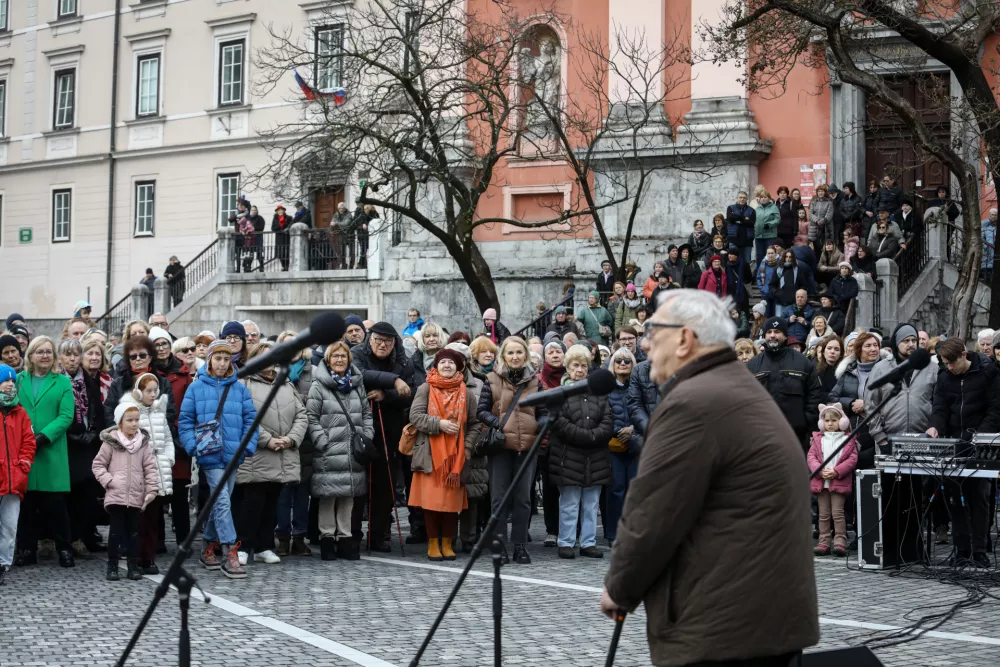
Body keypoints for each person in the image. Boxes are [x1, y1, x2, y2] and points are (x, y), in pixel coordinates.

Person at [600, 290, 818, 665]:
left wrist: (620, 587)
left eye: (653, 332)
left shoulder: (691, 403)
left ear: (685, 339)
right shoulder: (736, 386)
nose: (645, 345)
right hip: (765, 619)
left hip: (722, 626)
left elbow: (653, 513)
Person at [178, 340, 258, 579]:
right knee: (222, 501)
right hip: (209, 454)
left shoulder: (239, 389)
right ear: (210, 360)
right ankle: (229, 551)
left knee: (220, 501)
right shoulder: (196, 387)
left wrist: (247, 446)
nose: (222, 364)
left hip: (233, 454)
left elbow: (251, 419)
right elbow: (185, 421)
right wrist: (193, 446)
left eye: (226, 359)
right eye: (218, 358)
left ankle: (207, 546)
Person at [927, 338, 1000, 566]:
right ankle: (961, 549)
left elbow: (995, 409)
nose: (949, 367)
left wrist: (980, 435)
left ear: (964, 356)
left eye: (952, 363)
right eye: (945, 363)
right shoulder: (944, 376)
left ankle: (979, 549)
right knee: (955, 497)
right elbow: (939, 407)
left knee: (979, 497)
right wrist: (935, 427)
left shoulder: (988, 372)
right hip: (954, 444)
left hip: (980, 443)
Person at [234, 342, 308, 566]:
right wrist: (267, 440)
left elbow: (301, 414)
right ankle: (243, 546)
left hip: (282, 452)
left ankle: (264, 546)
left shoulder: (285, 382)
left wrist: (291, 438)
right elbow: (243, 417)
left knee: (272, 504)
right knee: (251, 505)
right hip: (257, 454)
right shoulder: (244, 383)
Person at [407, 349, 479, 561]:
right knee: (431, 503)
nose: (447, 365)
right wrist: (439, 424)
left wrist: (467, 447)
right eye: (443, 362)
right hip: (430, 454)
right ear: (436, 366)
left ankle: (447, 543)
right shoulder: (425, 388)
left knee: (451, 504)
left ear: (459, 367)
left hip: (456, 457)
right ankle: (432, 543)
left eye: (451, 362)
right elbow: (415, 416)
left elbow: (475, 424)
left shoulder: (467, 393)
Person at [476, 336, 542, 564]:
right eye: (510, 353)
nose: (515, 357)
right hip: (501, 447)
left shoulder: (536, 382)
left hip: (527, 448)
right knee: (499, 499)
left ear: (526, 355)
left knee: (523, 499)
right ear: (503, 355)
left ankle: (520, 545)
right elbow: (481, 411)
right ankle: (500, 545)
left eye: (519, 352)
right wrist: (499, 424)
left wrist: (537, 426)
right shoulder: (491, 379)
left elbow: (543, 412)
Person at [350, 321, 415, 552]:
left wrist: (387, 395)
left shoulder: (404, 361)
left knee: (385, 486)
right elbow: (360, 374)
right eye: (378, 340)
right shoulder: (357, 353)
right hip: (359, 427)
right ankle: (352, 535)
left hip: (389, 427)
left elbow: (410, 392)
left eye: (387, 341)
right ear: (370, 339)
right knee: (358, 484)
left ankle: (379, 535)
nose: (382, 345)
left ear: (394, 343)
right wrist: (393, 381)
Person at [306, 341, 371, 561]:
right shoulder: (318, 385)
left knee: (347, 497)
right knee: (328, 496)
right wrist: (321, 440)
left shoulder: (357, 384)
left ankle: (345, 539)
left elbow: (366, 413)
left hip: (353, 450)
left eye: (343, 356)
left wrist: (367, 436)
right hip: (329, 450)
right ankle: (326, 538)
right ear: (327, 360)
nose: (340, 360)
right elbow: (311, 416)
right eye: (335, 356)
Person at [15, 336, 76, 568]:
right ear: (30, 355)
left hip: (51, 449)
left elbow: (66, 415)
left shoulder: (62, 382)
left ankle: (64, 549)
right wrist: (26, 437)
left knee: (56, 506)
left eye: (49, 351)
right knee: (27, 506)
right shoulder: (19, 380)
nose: (45, 355)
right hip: (24, 451)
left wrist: (43, 436)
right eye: (40, 351)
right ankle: (27, 549)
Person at [548, 344, 613, 559]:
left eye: (583, 366)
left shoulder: (599, 394)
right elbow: (559, 423)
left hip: (596, 456)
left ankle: (588, 542)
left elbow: (608, 421)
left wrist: (594, 436)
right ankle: (566, 542)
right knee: (569, 502)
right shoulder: (559, 393)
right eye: (575, 365)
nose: (579, 370)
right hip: (569, 456)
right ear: (567, 368)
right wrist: (585, 436)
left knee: (591, 504)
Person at [93, 403, 159, 581]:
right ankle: (112, 566)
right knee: (115, 533)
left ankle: (133, 566)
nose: (134, 424)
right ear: (120, 422)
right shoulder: (111, 442)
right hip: (116, 495)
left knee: (134, 533)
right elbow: (98, 465)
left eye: (136, 420)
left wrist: (151, 489)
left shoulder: (143, 443)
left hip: (136, 495)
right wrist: (109, 481)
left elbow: (150, 468)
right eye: (129, 420)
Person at [117, 373, 174, 574]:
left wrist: (168, 459)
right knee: (138, 521)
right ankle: (136, 558)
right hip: (139, 472)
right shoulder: (132, 413)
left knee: (153, 520)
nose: (153, 394)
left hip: (158, 470)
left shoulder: (159, 413)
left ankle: (149, 558)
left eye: (155, 390)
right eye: (148, 390)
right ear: (139, 392)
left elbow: (168, 439)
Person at [59, 338, 106, 556]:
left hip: (86, 443)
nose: (72, 359)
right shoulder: (58, 380)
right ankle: (62, 538)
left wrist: (94, 431)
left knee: (85, 492)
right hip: (64, 442)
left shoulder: (88, 380)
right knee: (64, 494)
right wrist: (69, 432)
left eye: (76, 354)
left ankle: (78, 536)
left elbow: (97, 409)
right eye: (67, 354)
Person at [746, 318, 824, 448]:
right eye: (769, 332)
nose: (772, 335)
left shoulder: (802, 362)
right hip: (762, 435)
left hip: (796, 435)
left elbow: (814, 393)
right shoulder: (753, 365)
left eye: (777, 332)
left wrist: (805, 420)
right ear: (764, 336)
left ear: (785, 335)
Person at [866, 323, 937, 462]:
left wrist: (933, 428)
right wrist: (880, 438)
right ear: (896, 343)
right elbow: (871, 405)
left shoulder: (932, 368)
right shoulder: (881, 368)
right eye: (906, 341)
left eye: (914, 340)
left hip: (924, 440)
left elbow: (938, 403)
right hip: (889, 439)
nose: (911, 344)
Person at [0, 364, 36, 585]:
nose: (10, 385)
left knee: (9, 526)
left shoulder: (20, 412)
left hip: (14, 479)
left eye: (13, 381)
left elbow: (29, 442)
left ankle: (3, 564)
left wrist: (24, 463)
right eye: (5, 380)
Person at [808, 403, 858, 557]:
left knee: (837, 513)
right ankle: (823, 542)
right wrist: (819, 470)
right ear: (822, 423)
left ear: (842, 422)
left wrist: (836, 471)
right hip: (821, 482)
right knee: (823, 514)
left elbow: (852, 459)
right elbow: (811, 457)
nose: (830, 424)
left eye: (834, 420)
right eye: (827, 420)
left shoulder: (847, 440)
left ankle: (840, 541)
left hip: (839, 482)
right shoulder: (818, 439)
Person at [605, 347, 637, 546]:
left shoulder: (638, 386)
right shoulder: (606, 389)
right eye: (618, 360)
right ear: (613, 364)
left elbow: (646, 410)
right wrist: (619, 431)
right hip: (614, 446)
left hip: (636, 444)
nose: (623, 364)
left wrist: (633, 429)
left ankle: (632, 532)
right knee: (616, 489)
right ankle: (613, 533)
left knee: (635, 490)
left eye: (627, 361)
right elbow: (603, 415)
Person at [536, 340, 565, 547]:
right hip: (546, 442)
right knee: (550, 489)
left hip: (569, 440)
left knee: (569, 489)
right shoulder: (539, 380)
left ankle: (571, 530)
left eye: (558, 351)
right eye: (551, 352)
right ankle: (552, 530)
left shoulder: (571, 377)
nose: (555, 355)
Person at [770, 249, 808, 318]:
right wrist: (777, 293)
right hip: (780, 302)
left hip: (794, 303)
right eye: (786, 257)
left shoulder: (798, 270)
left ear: (793, 258)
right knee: (780, 322)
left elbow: (804, 285)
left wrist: (797, 294)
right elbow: (772, 285)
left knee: (794, 321)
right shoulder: (778, 269)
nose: (788, 259)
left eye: (790, 257)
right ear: (784, 257)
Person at [725, 191, 756, 266]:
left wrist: (737, 219)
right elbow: (730, 218)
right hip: (734, 239)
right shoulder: (730, 208)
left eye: (744, 198)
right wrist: (744, 218)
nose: (742, 199)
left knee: (746, 262)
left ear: (747, 199)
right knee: (732, 261)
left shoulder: (752, 210)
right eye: (740, 197)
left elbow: (751, 223)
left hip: (747, 239)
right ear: (737, 198)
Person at [411, 322, 445, 387]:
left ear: (441, 337)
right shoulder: (414, 359)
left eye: (435, 335)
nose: (431, 339)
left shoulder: (448, 358)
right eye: (427, 336)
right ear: (422, 339)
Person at [754, 189, 780, 268]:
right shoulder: (757, 208)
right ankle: (759, 272)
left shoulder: (773, 207)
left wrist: (769, 224)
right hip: (758, 236)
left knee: (770, 255)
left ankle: (770, 271)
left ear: (769, 198)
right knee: (759, 255)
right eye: (761, 197)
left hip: (770, 236)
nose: (763, 199)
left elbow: (777, 219)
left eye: (765, 197)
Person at [329, 202, 353, 270]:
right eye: (339, 208)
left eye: (342, 208)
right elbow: (332, 222)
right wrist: (332, 228)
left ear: (345, 208)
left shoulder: (348, 214)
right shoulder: (336, 214)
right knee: (341, 251)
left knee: (352, 252)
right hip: (341, 235)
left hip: (349, 234)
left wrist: (336, 224)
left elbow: (346, 223)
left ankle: (351, 265)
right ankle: (343, 264)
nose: (341, 209)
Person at [272, 205, 293, 271]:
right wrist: (280, 228)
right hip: (279, 237)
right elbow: (273, 228)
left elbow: (291, 225)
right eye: (279, 210)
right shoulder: (275, 218)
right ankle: (283, 265)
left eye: (281, 210)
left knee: (286, 252)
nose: (280, 211)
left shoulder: (289, 218)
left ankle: (287, 265)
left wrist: (286, 227)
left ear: (284, 211)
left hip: (286, 237)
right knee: (280, 253)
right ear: (277, 212)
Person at [982, 208, 997, 286]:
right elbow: (981, 237)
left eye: (995, 215)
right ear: (989, 215)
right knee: (986, 269)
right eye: (992, 215)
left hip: (996, 252)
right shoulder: (984, 225)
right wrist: (985, 246)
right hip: (987, 251)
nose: (993, 216)